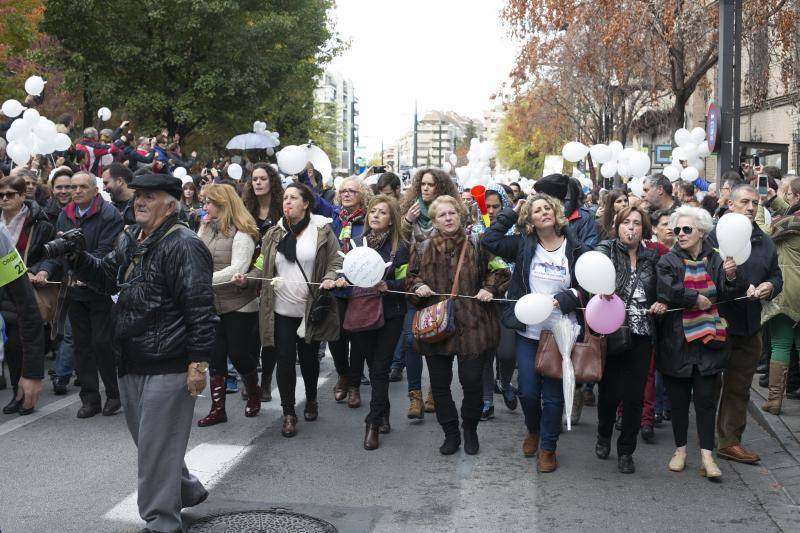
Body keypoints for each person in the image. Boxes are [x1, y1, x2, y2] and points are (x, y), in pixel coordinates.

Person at [69, 173, 216, 532]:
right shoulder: (131, 237)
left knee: (154, 448)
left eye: (150, 196)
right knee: (153, 444)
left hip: (169, 362)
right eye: (138, 196)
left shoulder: (185, 244)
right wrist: (76, 257)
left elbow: (200, 308)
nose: (140, 202)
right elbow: (106, 276)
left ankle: (161, 521)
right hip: (131, 357)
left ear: (170, 205)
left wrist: (198, 364)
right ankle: (186, 489)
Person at [482, 193, 588, 473]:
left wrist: (564, 299)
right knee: (528, 392)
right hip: (529, 333)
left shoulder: (574, 246)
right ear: (529, 219)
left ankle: (548, 447)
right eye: (537, 210)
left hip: (560, 332)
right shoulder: (523, 244)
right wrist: (511, 211)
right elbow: (489, 240)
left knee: (553, 396)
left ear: (556, 212)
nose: (544, 212)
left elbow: (586, 285)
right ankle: (533, 429)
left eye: (547, 207)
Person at [233, 183, 342, 437]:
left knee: (309, 360)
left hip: (309, 308)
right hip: (280, 309)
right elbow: (262, 265)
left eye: (293, 198)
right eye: (285, 198)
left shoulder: (321, 230)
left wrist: (330, 277)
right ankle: (289, 413)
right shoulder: (274, 233)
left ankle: (312, 399)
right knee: (284, 359)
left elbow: (336, 259)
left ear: (306, 203)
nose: (287, 202)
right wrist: (247, 279)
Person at [407, 195, 510, 455]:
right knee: (440, 385)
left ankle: (470, 429)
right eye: (442, 215)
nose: (448, 218)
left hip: (473, 325)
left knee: (472, 382)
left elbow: (501, 270)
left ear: (460, 215)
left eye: (452, 213)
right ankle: (450, 433)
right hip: (436, 325)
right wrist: (418, 286)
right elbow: (409, 277)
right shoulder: (422, 246)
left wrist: (490, 288)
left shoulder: (478, 242)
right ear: (434, 221)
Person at [655, 205, 746, 480]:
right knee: (679, 401)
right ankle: (680, 451)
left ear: (702, 232)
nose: (680, 234)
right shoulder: (668, 261)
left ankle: (707, 456)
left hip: (710, 342)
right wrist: (694, 299)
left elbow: (730, 293)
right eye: (677, 230)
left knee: (706, 400)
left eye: (687, 229)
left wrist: (732, 275)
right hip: (677, 342)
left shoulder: (716, 259)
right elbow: (666, 289)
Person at [704, 183, 782, 463]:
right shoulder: (712, 237)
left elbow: (776, 275)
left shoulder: (764, 240)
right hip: (717, 323)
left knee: (738, 388)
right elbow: (708, 278)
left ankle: (729, 442)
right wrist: (732, 279)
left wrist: (770, 287)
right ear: (731, 204)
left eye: (755, 203)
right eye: (745, 202)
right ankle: (704, 438)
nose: (751, 207)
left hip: (750, 326)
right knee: (709, 386)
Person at [43, 171, 124, 418]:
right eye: (72, 187)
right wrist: (46, 270)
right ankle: (89, 399)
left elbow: (107, 251)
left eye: (81, 187)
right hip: (74, 290)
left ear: (95, 191)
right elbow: (60, 251)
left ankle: (113, 395)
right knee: (81, 346)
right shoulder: (65, 215)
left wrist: (86, 273)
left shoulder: (109, 214)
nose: (76, 191)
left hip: (101, 289)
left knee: (102, 343)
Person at [594, 206, 666, 473]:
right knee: (610, 392)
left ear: (643, 228)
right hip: (612, 329)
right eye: (626, 222)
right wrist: (602, 290)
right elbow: (594, 272)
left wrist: (661, 302)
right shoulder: (607, 250)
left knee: (634, 396)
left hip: (642, 332)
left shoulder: (652, 257)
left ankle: (626, 450)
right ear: (617, 226)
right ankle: (604, 434)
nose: (631, 228)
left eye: (636, 223)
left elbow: (663, 287)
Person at [346, 195, 410, 450]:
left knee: (380, 368)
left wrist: (389, 285)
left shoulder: (400, 247)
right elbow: (345, 273)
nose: (375, 216)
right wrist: (339, 280)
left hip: (390, 313)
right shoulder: (355, 244)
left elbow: (407, 281)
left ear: (391, 219)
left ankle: (372, 423)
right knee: (374, 368)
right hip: (362, 311)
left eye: (382, 212)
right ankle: (383, 411)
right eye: (373, 211)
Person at [196, 184, 262, 426]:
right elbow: (197, 255)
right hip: (212, 303)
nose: (205, 207)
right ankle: (217, 409)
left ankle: (253, 391)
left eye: (209, 202)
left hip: (238, 303)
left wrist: (201, 281)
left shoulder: (243, 231)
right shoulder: (208, 226)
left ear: (222, 204)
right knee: (215, 357)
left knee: (239, 353)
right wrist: (202, 228)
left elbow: (238, 268)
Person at [399, 168, 460, 418]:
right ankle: (414, 396)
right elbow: (400, 242)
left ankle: (435, 390)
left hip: (442, 288)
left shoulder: (449, 211)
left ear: (441, 187)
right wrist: (407, 221)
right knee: (411, 340)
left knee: (441, 339)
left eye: (431, 185)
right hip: (415, 283)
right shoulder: (410, 209)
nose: (425, 188)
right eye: (423, 184)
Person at [316, 176, 372, 406]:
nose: (346, 194)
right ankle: (343, 375)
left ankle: (355, 385)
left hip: (359, 286)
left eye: (352, 191)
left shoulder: (368, 220)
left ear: (362, 195)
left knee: (358, 338)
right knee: (336, 336)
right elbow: (314, 198)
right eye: (343, 191)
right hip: (335, 285)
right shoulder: (334, 217)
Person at [0, 175, 53, 415]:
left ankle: (19, 393)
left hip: (15, 293)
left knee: (15, 345)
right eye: (1, 195)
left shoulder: (3, 239)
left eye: (10, 194)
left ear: (23, 196)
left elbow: (29, 309)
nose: (4, 199)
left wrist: (32, 373)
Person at [241, 162, 284, 401]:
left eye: (263, 179)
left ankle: (266, 381)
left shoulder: (281, 208)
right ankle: (250, 380)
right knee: (247, 334)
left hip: (273, 275)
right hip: (248, 273)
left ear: (272, 181)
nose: (258, 183)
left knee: (269, 332)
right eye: (255, 179)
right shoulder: (245, 209)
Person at [759, 176, 800, 415]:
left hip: (788, 291)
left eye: (789, 194)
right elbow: (790, 210)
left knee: (781, 343)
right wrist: (773, 199)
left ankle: (774, 401)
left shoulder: (790, 223)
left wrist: (757, 207)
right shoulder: (793, 218)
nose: (786, 198)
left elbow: (765, 231)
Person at [534, 174, 598, 249]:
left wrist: (568, 233)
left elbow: (589, 251)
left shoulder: (584, 217)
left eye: (541, 196)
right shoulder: (538, 217)